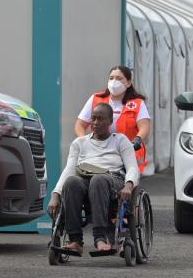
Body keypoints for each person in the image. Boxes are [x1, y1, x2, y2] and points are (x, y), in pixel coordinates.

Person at [47, 103, 139, 254]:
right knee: (71, 182)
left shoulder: (121, 141)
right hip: (84, 178)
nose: (95, 123)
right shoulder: (79, 143)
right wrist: (55, 194)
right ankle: (75, 240)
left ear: (110, 121)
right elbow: (69, 170)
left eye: (101, 119)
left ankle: (100, 237)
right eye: (93, 119)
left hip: (112, 179)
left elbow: (132, 168)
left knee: (98, 180)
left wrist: (129, 185)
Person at [75, 65, 150, 173]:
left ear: (128, 83)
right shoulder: (96, 99)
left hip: (128, 152)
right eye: (111, 78)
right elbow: (79, 125)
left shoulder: (137, 103)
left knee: (126, 183)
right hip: (99, 152)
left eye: (119, 78)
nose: (114, 81)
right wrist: (85, 142)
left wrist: (138, 139)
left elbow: (144, 126)